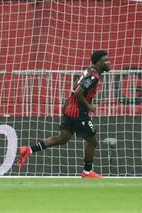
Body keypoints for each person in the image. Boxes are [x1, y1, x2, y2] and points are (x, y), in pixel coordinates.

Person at [18, 50, 111, 178]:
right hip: (78, 113)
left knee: (63, 138)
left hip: (69, 108)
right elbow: (78, 92)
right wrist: (89, 106)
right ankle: (87, 172)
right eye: (106, 60)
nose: (109, 62)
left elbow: (75, 88)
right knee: (93, 142)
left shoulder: (88, 71)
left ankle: (29, 149)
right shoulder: (93, 77)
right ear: (98, 62)